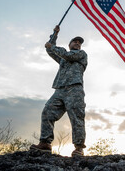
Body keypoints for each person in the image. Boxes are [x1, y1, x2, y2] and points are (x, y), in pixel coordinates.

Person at [30, 25, 88, 157]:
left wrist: (53, 47)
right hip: (60, 90)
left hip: (75, 90)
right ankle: (45, 143)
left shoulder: (81, 54)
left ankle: (79, 147)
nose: (77, 43)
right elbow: (51, 50)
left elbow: (66, 55)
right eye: (75, 41)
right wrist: (54, 35)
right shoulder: (63, 57)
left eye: (79, 43)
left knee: (76, 117)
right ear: (70, 44)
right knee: (47, 112)